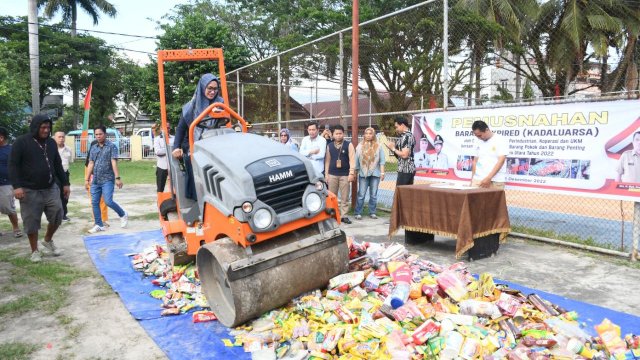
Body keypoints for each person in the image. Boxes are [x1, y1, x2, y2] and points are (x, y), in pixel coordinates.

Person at [9, 115, 69, 262]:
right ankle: (34, 251)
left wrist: (66, 183)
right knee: (31, 222)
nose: (46, 130)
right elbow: (13, 165)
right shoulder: (21, 142)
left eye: (48, 127)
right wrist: (17, 187)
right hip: (29, 190)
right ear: (35, 127)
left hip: (50, 187)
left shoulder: (51, 143)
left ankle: (47, 240)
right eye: (43, 127)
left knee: (58, 213)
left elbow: (57, 164)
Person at [172, 73, 224, 200]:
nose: (212, 92)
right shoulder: (191, 107)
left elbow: (224, 123)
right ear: (202, 87)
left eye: (215, 89)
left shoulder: (220, 104)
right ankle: (198, 203)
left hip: (213, 144)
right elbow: (181, 128)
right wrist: (176, 147)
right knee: (196, 169)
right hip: (193, 145)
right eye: (209, 88)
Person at [86, 125, 128, 233]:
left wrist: (117, 178)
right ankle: (99, 224)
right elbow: (91, 163)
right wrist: (87, 179)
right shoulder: (93, 147)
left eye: (100, 134)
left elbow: (114, 162)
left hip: (107, 179)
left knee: (108, 201)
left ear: (105, 134)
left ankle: (123, 214)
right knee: (95, 202)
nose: (98, 136)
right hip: (95, 180)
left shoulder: (111, 146)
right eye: (96, 134)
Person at [324, 125, 355, 224]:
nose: (338, 135)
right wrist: (326, 175)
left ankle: (344, 216)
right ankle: (333, 215)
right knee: (332, 197)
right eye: (336, 134)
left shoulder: (348, 145)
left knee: (345, 197)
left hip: (345, 175)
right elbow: (327, 161)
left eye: (340, 133)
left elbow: (352, 160)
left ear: (343, 134)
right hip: (332, 174)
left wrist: (351, 173)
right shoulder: (329, 146)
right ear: (332, 134)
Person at [354, 127, 385, 220]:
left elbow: (382, 161)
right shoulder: (359, 146)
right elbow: (356, 161)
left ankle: (372, 212)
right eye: (366, 133)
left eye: (370, 133)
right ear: (364, 135)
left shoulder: (379, 146)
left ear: (373, 135)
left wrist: (382, 173)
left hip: (375, 174)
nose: (368, 135)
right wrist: (355, 172)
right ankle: (358, 212)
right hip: (363, 174)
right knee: (361, 194)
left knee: (373, 194)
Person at [470, 120, 508, 188]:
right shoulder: (477, 141)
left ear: (487, 129)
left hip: (495, 180)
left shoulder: (500, 140)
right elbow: (475, 161)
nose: (479, 138)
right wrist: (472, 179)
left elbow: (501, 160)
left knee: (493, 199)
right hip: (478, 180)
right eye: (476, 136)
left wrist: (489, 178)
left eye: (480, 135)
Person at [0, 127, 23, 238]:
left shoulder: (11, 150)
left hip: (6, 184)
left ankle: (16, 227)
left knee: (8, 207)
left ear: (1, 137)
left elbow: (18, 166)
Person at [85, 139, 109, 227]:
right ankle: (97, 220)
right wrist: (87, 180)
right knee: (94, 199)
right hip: (92, 175)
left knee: (104, 199)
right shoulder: (91, 157)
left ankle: (104, 219)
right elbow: (89, 167)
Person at [386, 116, 416, 185]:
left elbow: (404, 155)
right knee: (404, 193)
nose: (396, 129)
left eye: (397, 127)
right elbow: (401, 155)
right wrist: (393, 149)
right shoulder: (405, 136)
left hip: (405, 170)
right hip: (405, 169)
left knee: (401, 193)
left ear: (402, 125)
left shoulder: (407, 137)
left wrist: (393, 148)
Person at [54, 131, 72, 221]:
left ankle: (64, 214)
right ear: (55, 138)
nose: (61, 138)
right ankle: (57, 215)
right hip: (54, 174)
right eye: (59, 137)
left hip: (65, 173)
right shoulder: (51, 149)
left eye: (63, 137)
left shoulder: (68, 149)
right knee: (56, 194)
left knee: (66, 194)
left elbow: (70, 161)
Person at [152, 124, 173, 192]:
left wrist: (164, 150)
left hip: (173, 166)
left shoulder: (174, 138)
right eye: (166, 128)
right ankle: (160, 200)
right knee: (160, 188)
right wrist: (170, 149)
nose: (167, 129)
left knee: (176, 187)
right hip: (162, 166)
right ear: (161, 129)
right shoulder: (157, 139)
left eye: (169, 128)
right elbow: (158, 152)